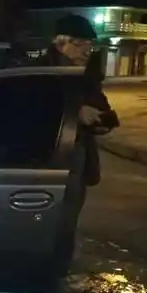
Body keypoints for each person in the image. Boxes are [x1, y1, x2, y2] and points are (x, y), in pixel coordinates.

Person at [36, 14, 119, 272]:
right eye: (82, 44)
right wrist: (77, 110)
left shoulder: (85, 74)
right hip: (48, 158)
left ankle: (59, 272)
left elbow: (101, 105)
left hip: (78, 156)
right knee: (52, 223)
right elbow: (35, 109)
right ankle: (48, 276)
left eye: (90, 45)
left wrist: (103, 119)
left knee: (69, 221)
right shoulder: (42, 71)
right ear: (62, 43)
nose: (87, 50)